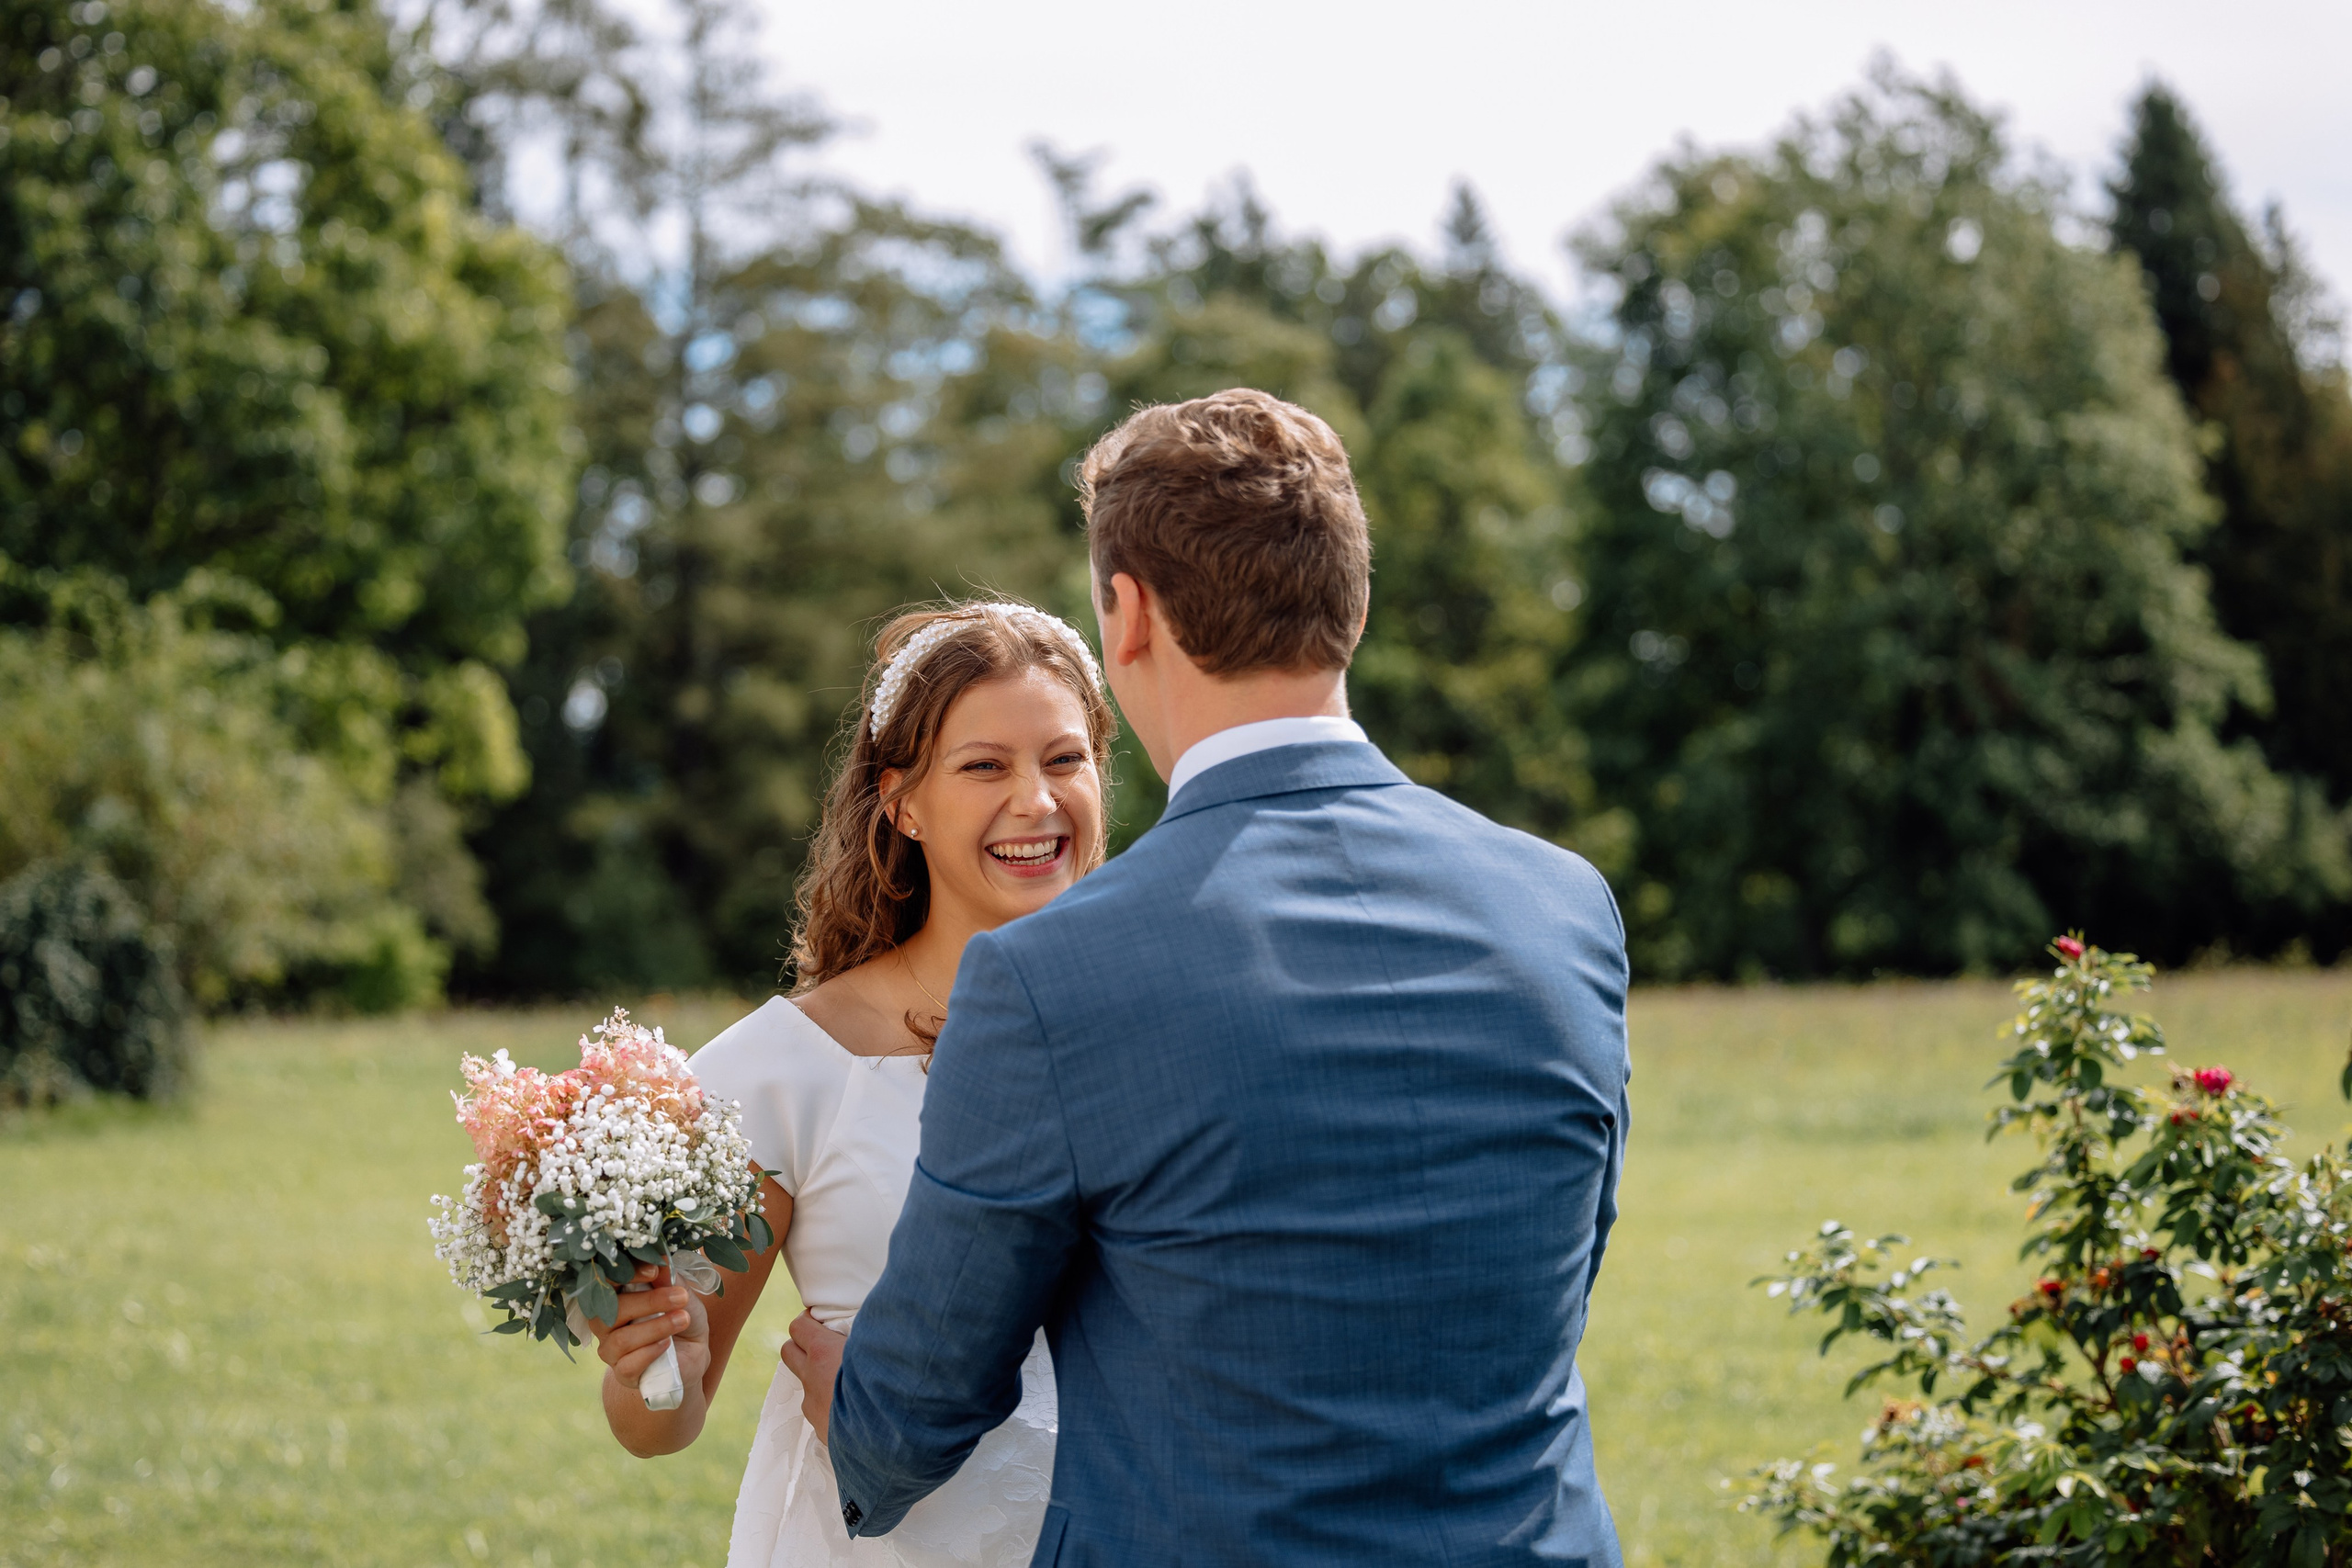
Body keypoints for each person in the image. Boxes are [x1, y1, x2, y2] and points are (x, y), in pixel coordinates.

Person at [783, 388, 1633, 1566]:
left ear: (1127, 614)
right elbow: (1555, 1272)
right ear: (1354, 597)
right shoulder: (1565, 906)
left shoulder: (1051, 974)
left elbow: (915, 1404)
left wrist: (850, 1404)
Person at [582, 600, 1115, 1567]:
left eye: (1065, 759)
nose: (1036, 800)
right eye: (984, 765)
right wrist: (653, 1367)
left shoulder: (1157, 1026)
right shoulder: (784, 1068)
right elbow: (661, 1417)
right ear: (901, 800)